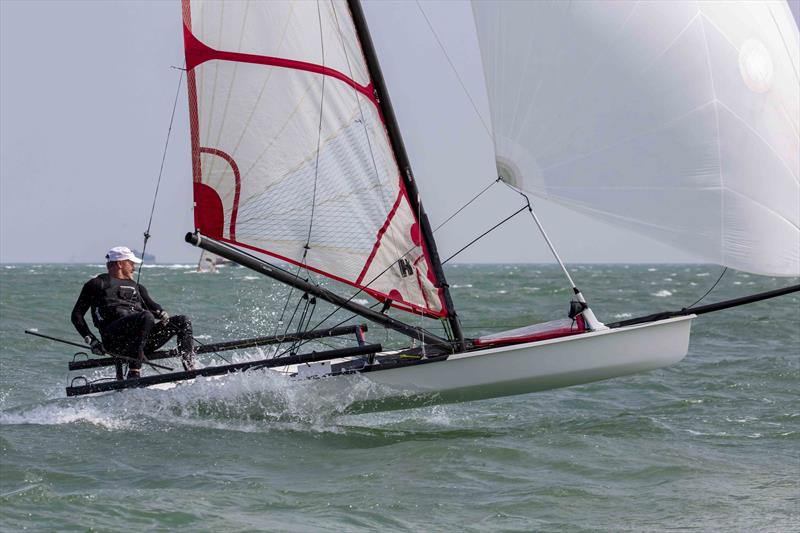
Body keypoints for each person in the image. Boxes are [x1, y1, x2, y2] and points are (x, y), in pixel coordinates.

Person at [71, 246, 195, 379]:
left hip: (142, 343)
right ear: (119, 264)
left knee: (183, 321)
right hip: (116, 342)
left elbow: (153, 307)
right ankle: (134, 371)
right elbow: (76, 315)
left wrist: (161, 312)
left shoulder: (137, 287)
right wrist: (92, 341)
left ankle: (190, 368)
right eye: (130, 263)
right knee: (146, 316)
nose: (134, 267)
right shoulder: (97, 284)